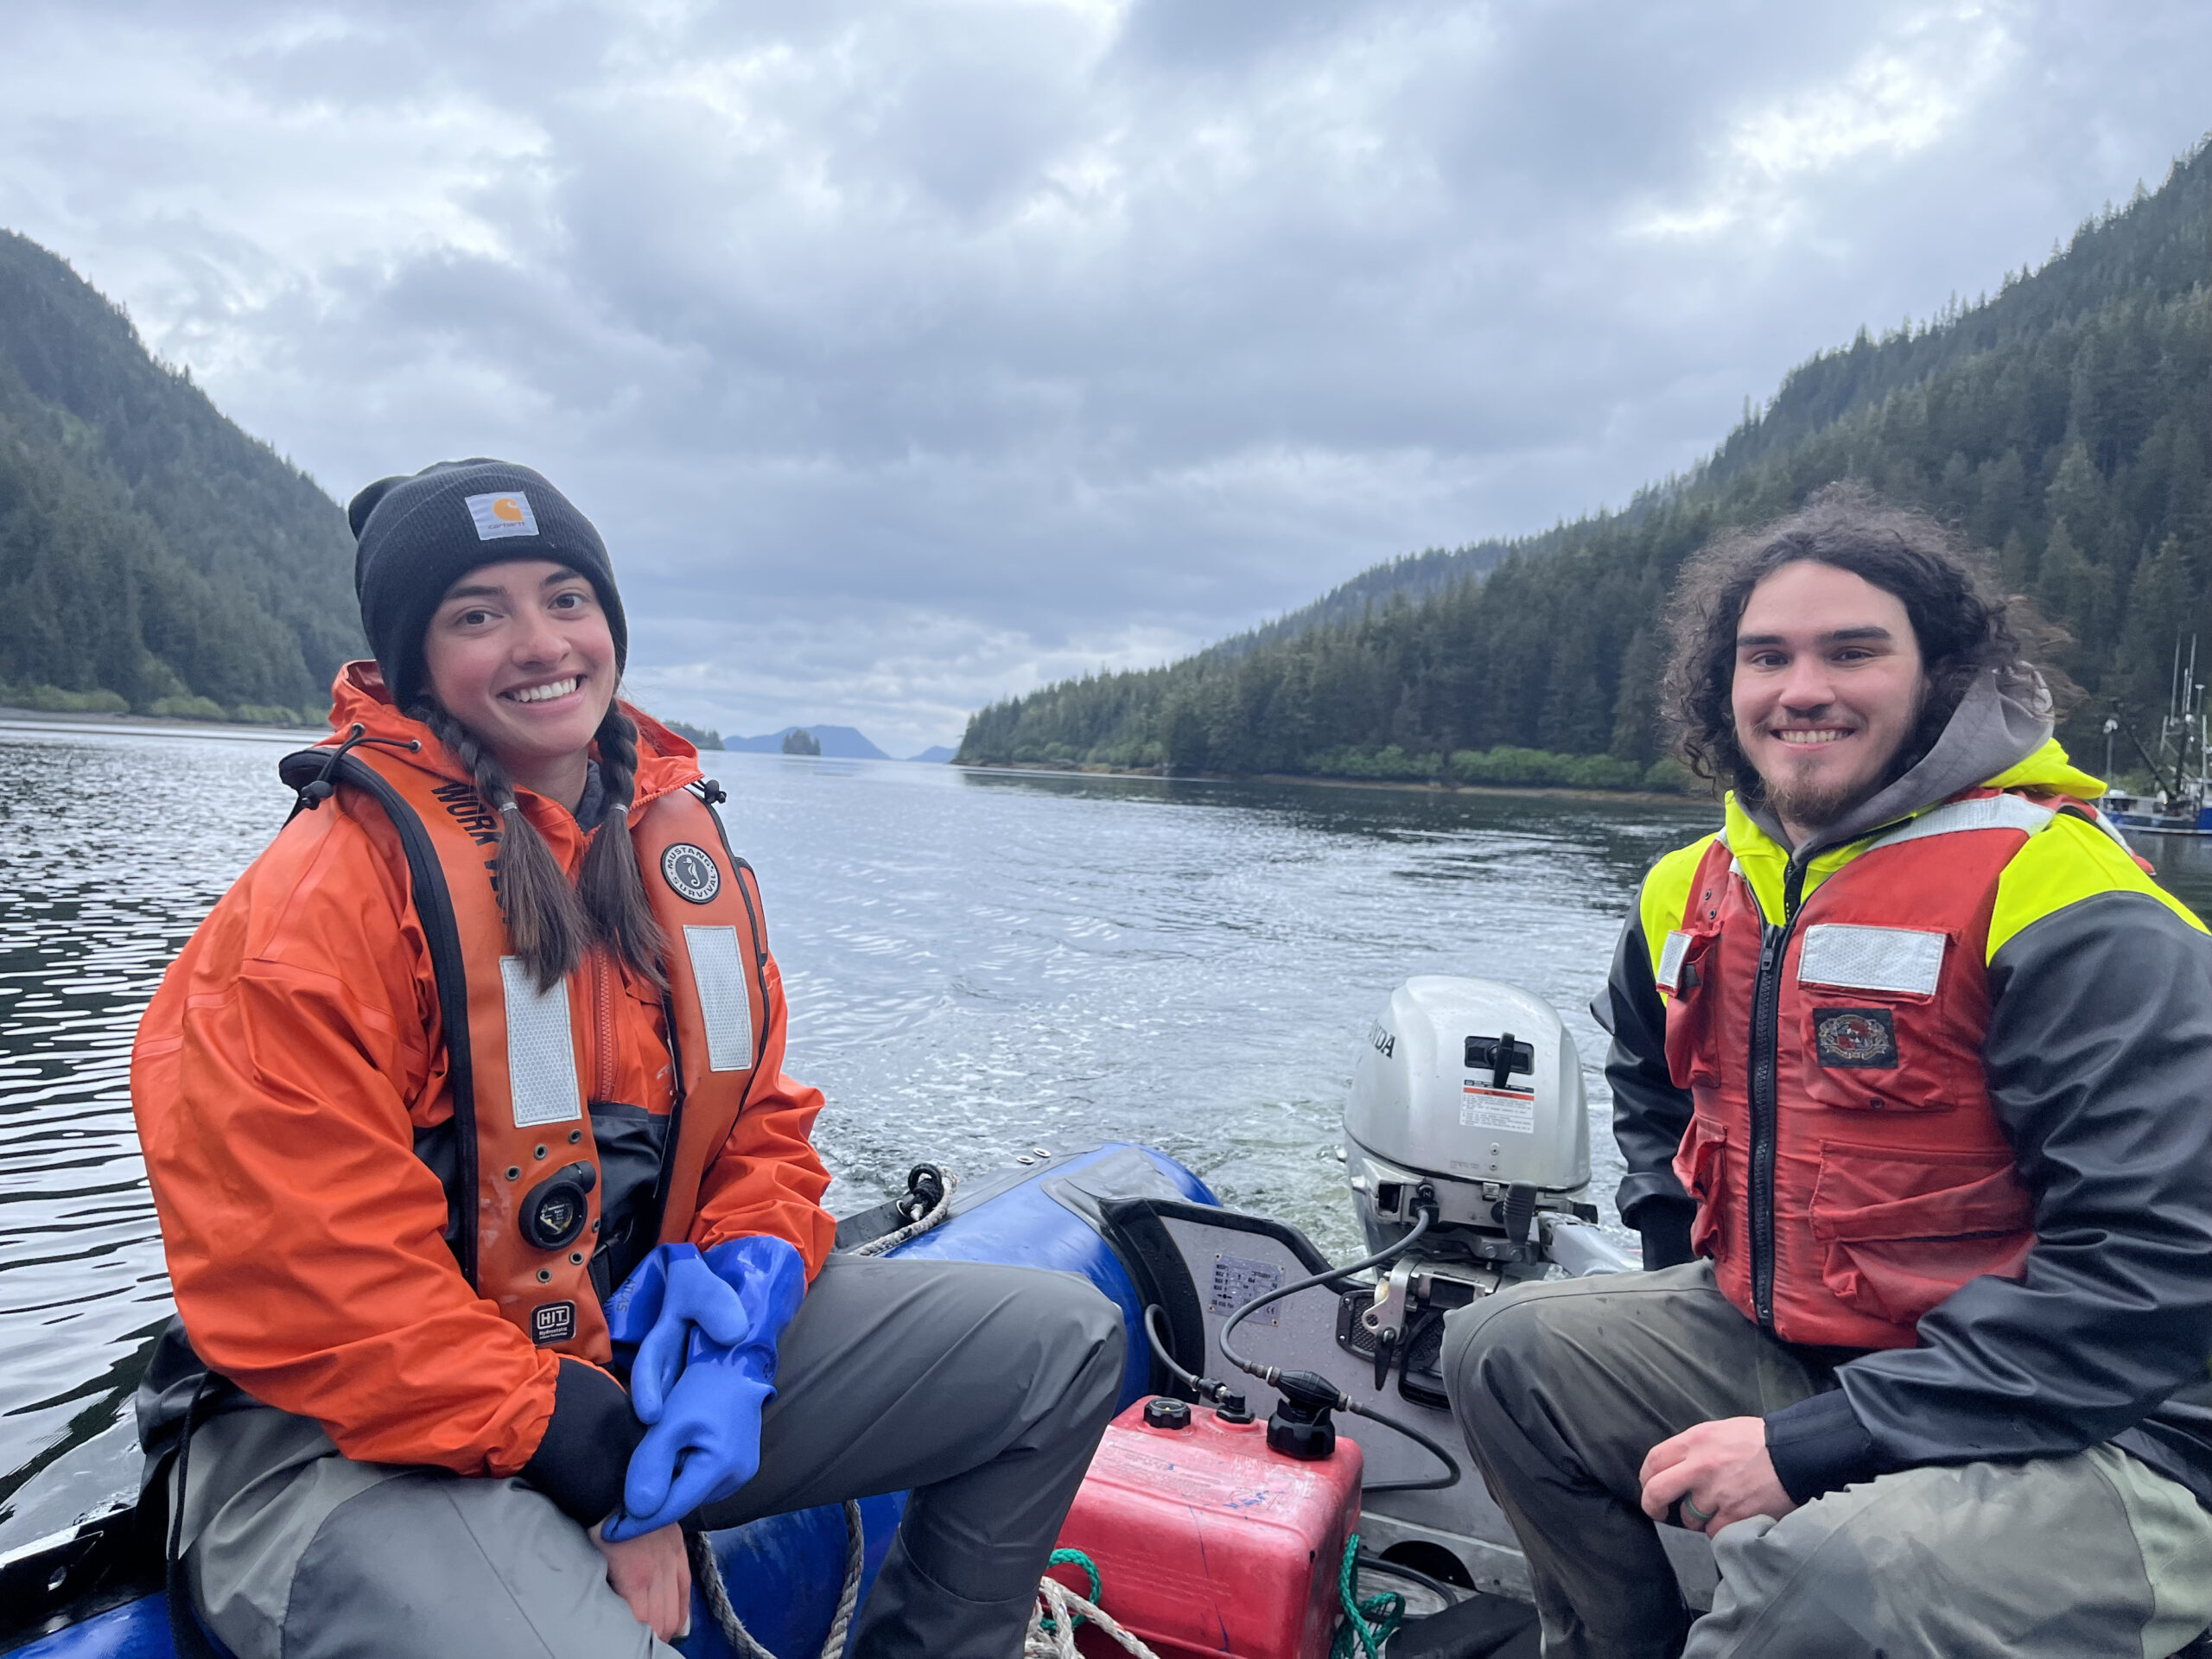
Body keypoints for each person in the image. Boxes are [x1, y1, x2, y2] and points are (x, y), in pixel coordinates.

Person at [131, 459, 1127, 1659]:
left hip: (620, 1361)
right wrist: (604, 1467)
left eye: (566, 597)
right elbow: (314, 1285)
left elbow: (759, 1127)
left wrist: (749, 1297)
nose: (540, 642)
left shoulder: (681, 863)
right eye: (477, 614)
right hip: (342, 1440)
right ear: (413, 659)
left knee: (1059, 1351)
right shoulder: (310, 920)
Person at [1440, 486, 2212, 1658]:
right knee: (1502, 1350)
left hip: (2118, 1426)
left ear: (1940, 673)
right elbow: (1652, 1096)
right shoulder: (1689, 888)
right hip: (1816, 1346)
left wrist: (1814, 1450)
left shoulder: (2070, 902)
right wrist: (1684, 1265)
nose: (1803, 689)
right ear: (1725, 685)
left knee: (1826, 1578)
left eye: (1853, 652)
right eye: (1767, 657)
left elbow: (2159, 1268)